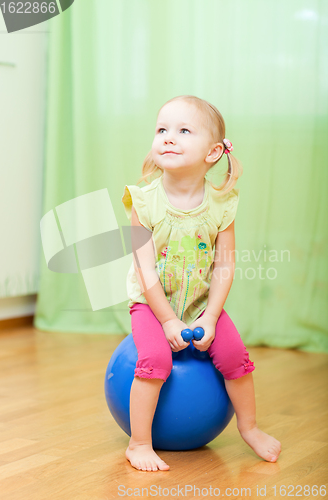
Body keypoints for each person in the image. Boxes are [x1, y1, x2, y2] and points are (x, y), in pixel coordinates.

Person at [121, 95, 281, 472]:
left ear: (212, 153)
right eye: (162, 129)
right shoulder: (143, 201)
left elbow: (225, 264)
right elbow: (145, 271)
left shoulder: (222, 203)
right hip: (151, 303)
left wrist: (209, 317)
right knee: (155, 360)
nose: (168, 137)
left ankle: (250, 427)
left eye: (183, 130)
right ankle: (139, 442)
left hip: (200, 302)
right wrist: (167, 321)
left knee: (236, 358)